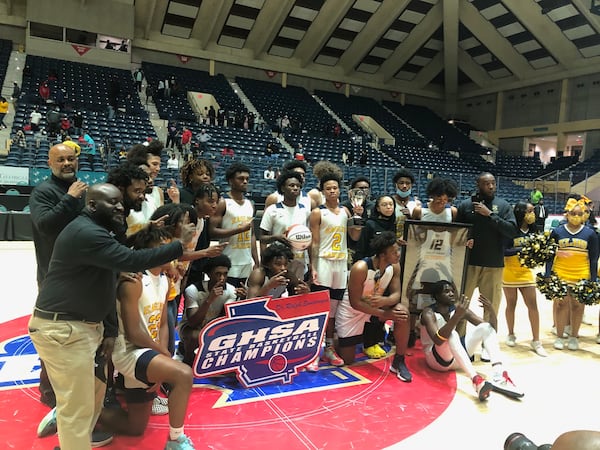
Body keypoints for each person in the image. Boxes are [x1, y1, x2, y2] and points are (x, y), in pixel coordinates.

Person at [28, 183, 196, 450]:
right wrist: (179, 244)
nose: (120, 206)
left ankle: (70, 426)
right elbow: (130, 260)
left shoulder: (96, 232)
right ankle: (69, 425)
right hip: (64, 329)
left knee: (92, 398)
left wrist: (106, 330)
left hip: (82, 328)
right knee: (79, 408)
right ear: (92, 205)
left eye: (120, 201)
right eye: (112, 202)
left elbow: (117, 261)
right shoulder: (86, 232)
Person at [98, 224, 197, 449]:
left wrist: (160, 362)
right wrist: (164, 359)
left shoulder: (163, 279)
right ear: (147, 252)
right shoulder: (133, 282)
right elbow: (133, 333)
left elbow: (163, 323)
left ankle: (82, 412)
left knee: (135, 427)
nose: (169, 251)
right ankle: (176, 440)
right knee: (182, 374)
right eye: (163, 247)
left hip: (149, 352)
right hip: (129, 352)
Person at [29, 143, 88, 408]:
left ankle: (80, 386)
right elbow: (45, 225)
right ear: (51, 164)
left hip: (86, 274)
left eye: (71, 159)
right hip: (54, 278)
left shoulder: (84, 190)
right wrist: (70, 199)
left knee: (84, 334)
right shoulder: (43, 192)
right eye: (61, 160)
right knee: (54, 337)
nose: (67, 163)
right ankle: (50, 394)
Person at [420, 280, 524, 401]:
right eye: (446, 291)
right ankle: (475, 380)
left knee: (485, 327)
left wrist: (491, 311)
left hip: (456, 358)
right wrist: (456, 317)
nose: (451, 294)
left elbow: (491, 331)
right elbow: (438, 340)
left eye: (452, 291)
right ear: (437, 296)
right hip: (436, 360)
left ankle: (498, 375)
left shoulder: (457, 310)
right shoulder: (428, 313)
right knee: (452, 334)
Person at [336, 232, 413, 381]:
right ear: (383, 255)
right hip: (352, 311)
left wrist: (384, 301)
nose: (398, 254)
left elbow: (397, 295)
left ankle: (399, 361)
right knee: (348, 359)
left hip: (375, 307)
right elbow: (355, 303)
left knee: (403, 313)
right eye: (394, 251)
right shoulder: (360, 268)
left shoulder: (395, 267)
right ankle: (336, 338)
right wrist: (383, 314)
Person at [455, 173, 517, 349]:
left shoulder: (503, 206)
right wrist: (464, 240)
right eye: (486, 184)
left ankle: (487, 345)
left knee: (491, 307)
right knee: (461, 304)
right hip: (468, 264)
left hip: (493, 264)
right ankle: (460, 341)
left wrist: (490, 215)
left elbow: (512, 231)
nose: (490, 187)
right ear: (478, 185)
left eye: (493, 183)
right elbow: (457, 233)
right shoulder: (465, 206)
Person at [309, 173, 361, 367]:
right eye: (328, 188)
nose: (332, 191)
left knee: (333, 310)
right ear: (323, 191)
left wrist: (357, 216)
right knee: (319, 308)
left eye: (335, 188)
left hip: (340, 264)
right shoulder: (317, 213)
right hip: (323, 261)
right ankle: (314, 350)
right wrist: (312, 266)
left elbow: (355, 236)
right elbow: (314, 242)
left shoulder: (346, 212)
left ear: (340, 190)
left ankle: (329, 348)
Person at [546, 197, 599, 350]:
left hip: (581, 273)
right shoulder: (557, 231)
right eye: (573, 213)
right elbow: (549, 256)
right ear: (567, 214)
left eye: (579, 213)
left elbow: (594, 259)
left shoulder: (590, 234)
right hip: (560, 272)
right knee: (561, 304)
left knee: (577, 305)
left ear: (583, 215)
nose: (576, 216)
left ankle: (574, 337)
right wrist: (548, 274)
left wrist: (593, 279)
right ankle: (560, 336)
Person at [353, 195, 397, 358]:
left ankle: (376, 340)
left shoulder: (395, 225)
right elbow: (361, 249)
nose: (388, 207)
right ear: (377, 208)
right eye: (384, 204)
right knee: (368, 307)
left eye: (391, 204)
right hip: (370, 273)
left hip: (387, 271)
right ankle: (367, 342)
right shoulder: (370, 225)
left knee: (382, 306)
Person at [503, 202, 547, 357]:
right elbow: (504, 251)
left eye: (533, 211)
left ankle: (536, 340)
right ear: (521, 212)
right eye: (530, 211)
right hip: (509, 271)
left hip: (526, 273)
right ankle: (511, 333)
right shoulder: (511, 229)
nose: (532, 214)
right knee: (511, 304)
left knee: (533, 306)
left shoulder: (534, 230)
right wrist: (521, 250)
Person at [179, 255, 238, 366]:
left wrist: (242, 300)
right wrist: (209, 300)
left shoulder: (231, 290)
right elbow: (192, 322)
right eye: (218, 274)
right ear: (208, 274)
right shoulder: (193, 290)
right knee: (195, 336)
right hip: (190, 328)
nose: (222, 278)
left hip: (214, 325)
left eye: (225, 274)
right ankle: (188, 360)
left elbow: (225, 319)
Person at [209, 163, 258, 294]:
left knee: (242, 297)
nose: (245, 181)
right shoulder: (223, 202)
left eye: (247, 178)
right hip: (228, 260)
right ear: (231, 181)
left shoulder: (249, 204)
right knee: (226, 298)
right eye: (241, 178)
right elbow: (211, 231)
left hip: (246, 261)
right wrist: (238, 230)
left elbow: (252, 234)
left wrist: (256, 261)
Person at [259, 170, 311, 280]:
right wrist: (276, 237)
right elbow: (262, 237)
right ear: (283, 188)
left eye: (298, 185)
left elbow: (309, 237)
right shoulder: (272, 210)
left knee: (296, 292)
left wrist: (310, 262)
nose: (296, 188)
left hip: (299, 260)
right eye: (291, 185)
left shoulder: (305, 210)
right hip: (278, 262)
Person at [391, 169, 421, 242]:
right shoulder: (389, 202)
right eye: (401, 183)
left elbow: (420, 229)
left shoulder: (416, 204)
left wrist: (410, 217)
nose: (404, 186)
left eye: (408, 183)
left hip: (410, 243)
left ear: (411, 185)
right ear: (396, 185)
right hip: (392, 242)